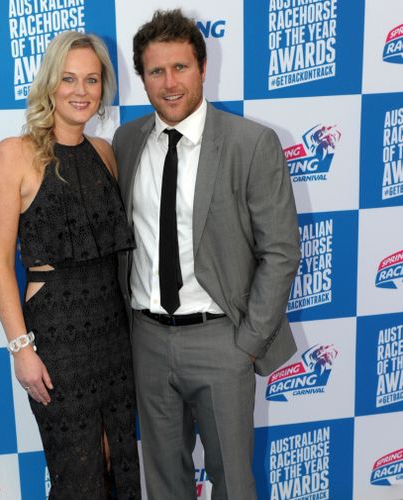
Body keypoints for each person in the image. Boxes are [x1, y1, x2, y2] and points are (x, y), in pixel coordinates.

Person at [112, 9, 301, 500]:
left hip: (223, 339)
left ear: (201, 68)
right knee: (165, 483)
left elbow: (280, 251)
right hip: (148, 342)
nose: (169, 82)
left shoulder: (250, 143)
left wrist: (248, 342)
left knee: (233, 484)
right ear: (142, 78)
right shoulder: (127, 142)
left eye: (180, 68)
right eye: (156, 71)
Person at [0, 31, 140, 499]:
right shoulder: (16, 153)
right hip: (56, 332)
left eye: (91, 80)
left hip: (111, 330)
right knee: (79, 472)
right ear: (50, 84)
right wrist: (21, 349)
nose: (81, 90)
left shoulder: (104, 154)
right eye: (69, 78)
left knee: (117, 461)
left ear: (103, 87)